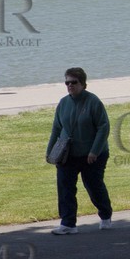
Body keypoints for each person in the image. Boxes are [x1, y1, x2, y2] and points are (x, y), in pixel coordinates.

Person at [47, 67, 113, 234]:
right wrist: (50, 152)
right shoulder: (63, 103)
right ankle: (68, 223)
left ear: (83, 84)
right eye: (67, 82)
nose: (70, 85)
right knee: (65, 186)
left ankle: (105, 214)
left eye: (74, 82)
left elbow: (103, 127)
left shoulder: (93, 102)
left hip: (92, 154)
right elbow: (56, 128)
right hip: (67, 154)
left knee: (94, 186)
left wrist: (94, 151)